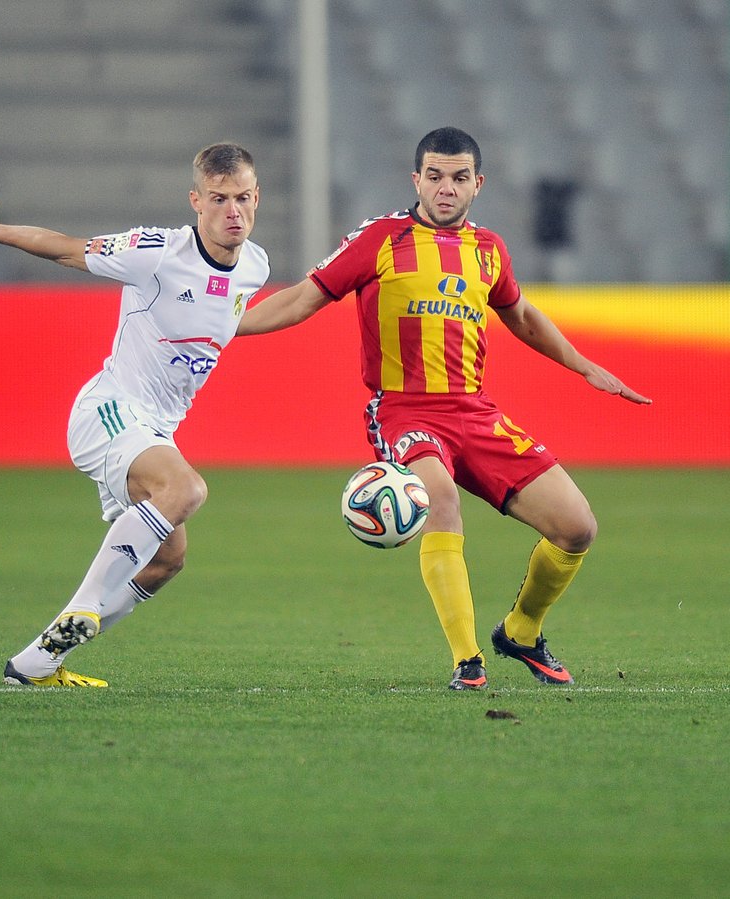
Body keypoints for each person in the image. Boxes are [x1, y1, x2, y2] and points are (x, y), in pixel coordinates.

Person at [237, 126, 651, 691]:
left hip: (476, 414)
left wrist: (582, 364)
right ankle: (467, 661)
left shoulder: (489, 250)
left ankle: (522, 631)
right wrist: (225, 326)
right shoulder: (380, 239)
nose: (445, 189)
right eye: (434, 176)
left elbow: (522, 316)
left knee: (577, 527)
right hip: (405, 412)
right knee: (441, 499)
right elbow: (303, 297)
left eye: (458, 178)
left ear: (477, 184)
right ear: (417, 179)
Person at [0, 142, 269, 687]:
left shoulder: (254, 266)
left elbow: (229, 320)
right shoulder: (157, 250)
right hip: (109, 410)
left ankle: (37, 663)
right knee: (186, 491)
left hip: (153, 432)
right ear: (196, 200)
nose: (233, 211)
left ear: (258, 198)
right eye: (218, 198)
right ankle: (82, 608)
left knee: (166, 562)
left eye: (243, 198)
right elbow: (66, 248)